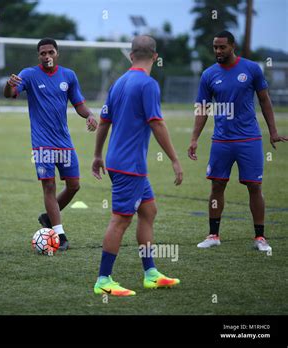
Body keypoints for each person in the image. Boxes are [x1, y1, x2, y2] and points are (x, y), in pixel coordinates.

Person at [92, 35, 182, 296]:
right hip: (129, 165)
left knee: (148, 211)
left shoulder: (118, 82)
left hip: (121, 162)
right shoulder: (149, 84)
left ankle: (151, 273)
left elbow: (104, 121)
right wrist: (175, 160)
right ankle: (103, 279)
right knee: (120, 219)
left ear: (131, 56)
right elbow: (157, 123)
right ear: (155, 57)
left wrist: (97, 154)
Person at [188, 30, 287, 252]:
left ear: (233, 47)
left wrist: (272, 131)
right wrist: (194, 138)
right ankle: (213, 234)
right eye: (215, 47)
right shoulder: (208, 74)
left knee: (254, 185)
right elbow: (202, 109)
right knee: (217, 185)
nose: (218, 51)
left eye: (222, 47)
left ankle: (260, 238)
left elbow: (265, 100)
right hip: (221, 140)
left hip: (249, 138)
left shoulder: (251, 69)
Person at [3, 37, 98, 250]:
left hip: (64, 141)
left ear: (57, 53)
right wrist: (9, 86)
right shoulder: (28, 74)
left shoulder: (69, 76)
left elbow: (79, 104)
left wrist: (90, 115)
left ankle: (48, 218)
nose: (47, 56)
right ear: (38, 56)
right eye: (43, 53)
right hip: (42, 143)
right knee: (49, 185)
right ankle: (60, 235)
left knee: (74, 185)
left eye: (50, 52)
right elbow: (10, 95)